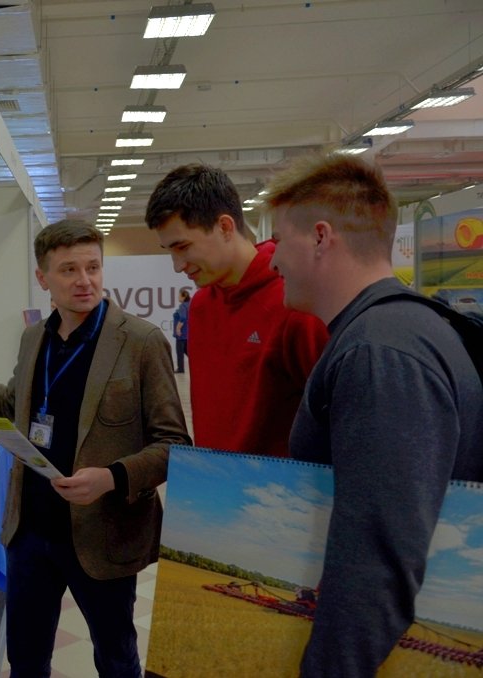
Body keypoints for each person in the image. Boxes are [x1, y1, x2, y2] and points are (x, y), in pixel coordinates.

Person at [0, 219, 190, 677]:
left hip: (102, 530)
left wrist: (112, 477)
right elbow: (11, 405)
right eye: (69, 270)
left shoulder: (140, 341)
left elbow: (174, 444)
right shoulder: (34, 337)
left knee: (116, 657)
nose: (84, 280)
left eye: (93, 267)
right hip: (32, 531)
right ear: (43, 278)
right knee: (27, 656)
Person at [263, 154, 483, 675]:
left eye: (278, 241)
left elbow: (377, 557)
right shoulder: (403, 329)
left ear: (321, 237)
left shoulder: (378, 351)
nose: (272, 263)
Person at [145, 164, 328, 456]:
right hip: (213, 481)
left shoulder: (295, 302)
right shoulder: (200, 307)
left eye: (183, 247)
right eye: (170, 251)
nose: (177, 265)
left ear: (225, 227)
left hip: (280, 484)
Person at [171, 289, 190, 373]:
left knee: (180, 352)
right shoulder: (189, 304)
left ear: (184, 296)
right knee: (188, 351)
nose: (178, 297)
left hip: (181, 334)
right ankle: (200, 363)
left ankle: (180, 368)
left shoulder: (182, 306)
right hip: (187, 333)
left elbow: (183, 318)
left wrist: (178, 328)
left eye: (179, 295)